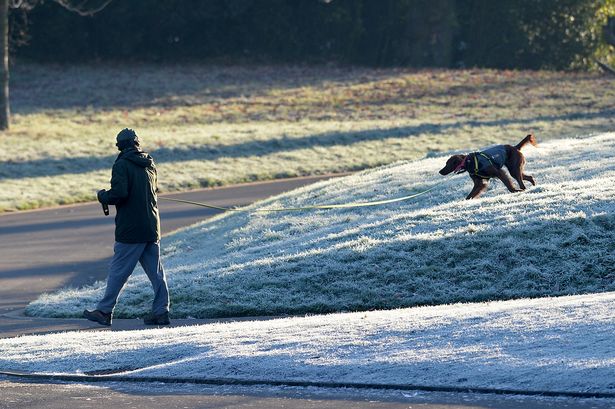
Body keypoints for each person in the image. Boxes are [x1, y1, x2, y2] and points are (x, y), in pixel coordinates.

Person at [84, 128, 170, 326]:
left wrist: (103, 196)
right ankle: (161, 312)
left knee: (118, 272)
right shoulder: (150, 163)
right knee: (156, 273)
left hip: (131, 230)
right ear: (137, 143)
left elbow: (119, 194)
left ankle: (104, 311)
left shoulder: (122, 165)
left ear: (120, 146)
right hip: (151, 227)